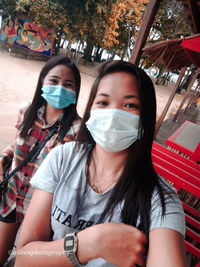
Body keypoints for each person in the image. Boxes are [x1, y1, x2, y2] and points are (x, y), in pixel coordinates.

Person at [15, 60, 186, 267]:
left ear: (145, 119)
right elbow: (24, 258)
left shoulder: (161, 200)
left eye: (130, 105)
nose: (113, 114)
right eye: (103, 103)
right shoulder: (62, 158)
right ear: (90, 109)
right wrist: (87, 245)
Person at [0, 55, 81, 265]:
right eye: (54, 81)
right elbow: (17, 145)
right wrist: (4, 156)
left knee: (25, 262)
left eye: (68, 84)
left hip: (41, 212)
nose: (60, 87)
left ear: (75, 91)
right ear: (43, 81)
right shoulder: (26, 110)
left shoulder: (77, 130)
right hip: (12, 197)